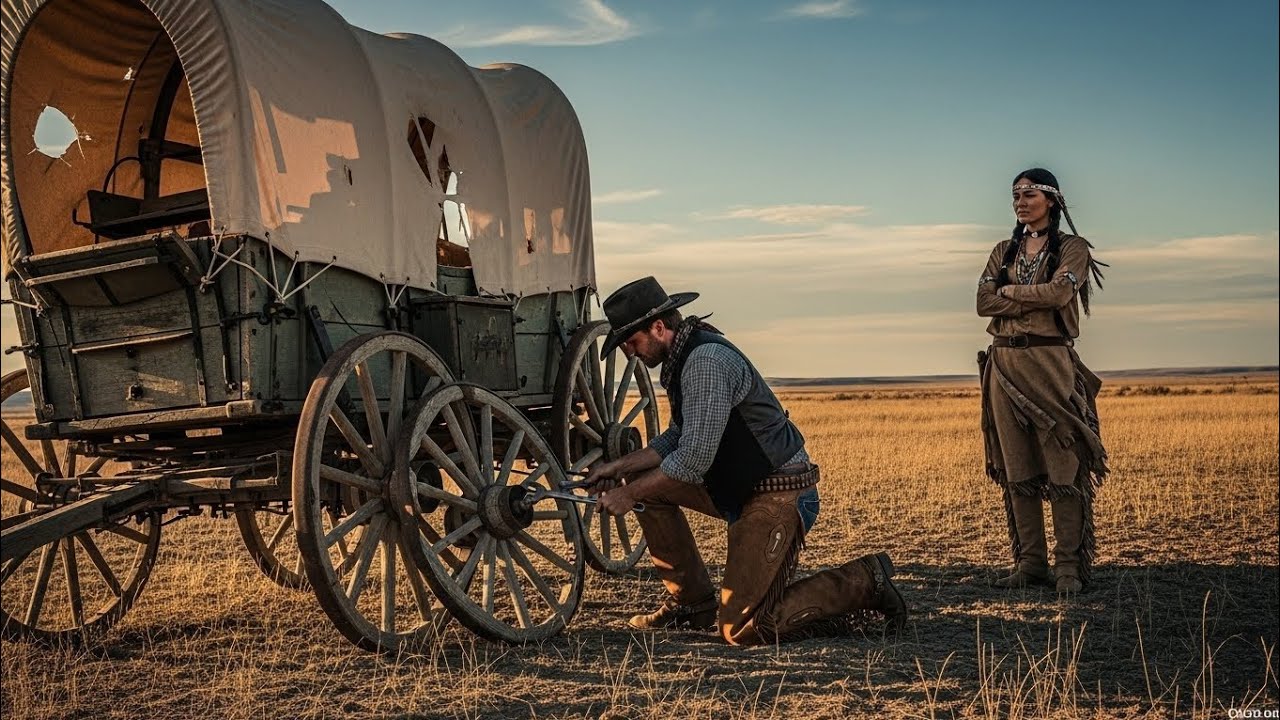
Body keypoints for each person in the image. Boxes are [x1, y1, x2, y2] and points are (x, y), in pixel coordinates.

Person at [584, 276, 907, 645]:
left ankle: (865, 581)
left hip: (776, 492)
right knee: (646, 486)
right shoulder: (684, 357)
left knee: (741, 629)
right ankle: (692, 604)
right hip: (740, 485)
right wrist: (619, 468)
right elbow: (677, 437)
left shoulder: (703, 361)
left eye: (631, 341)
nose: (629, 353)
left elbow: (692, 459)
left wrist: (628, 495)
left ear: (658, 327)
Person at [975, 168, 1109, 594]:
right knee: (1018, 468)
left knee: (1064, 465)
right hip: (1004, 366)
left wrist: (1009, 293)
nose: (1020, 201)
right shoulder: (1003, 250)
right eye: (1015, 194)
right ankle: (1030, 564)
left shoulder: (1073, 249)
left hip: (1051, 365)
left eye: (1029, 193)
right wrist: (1026, 298)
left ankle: (1069, 566)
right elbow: (982, 302)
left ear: (1051, 200)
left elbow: (1059, 294)